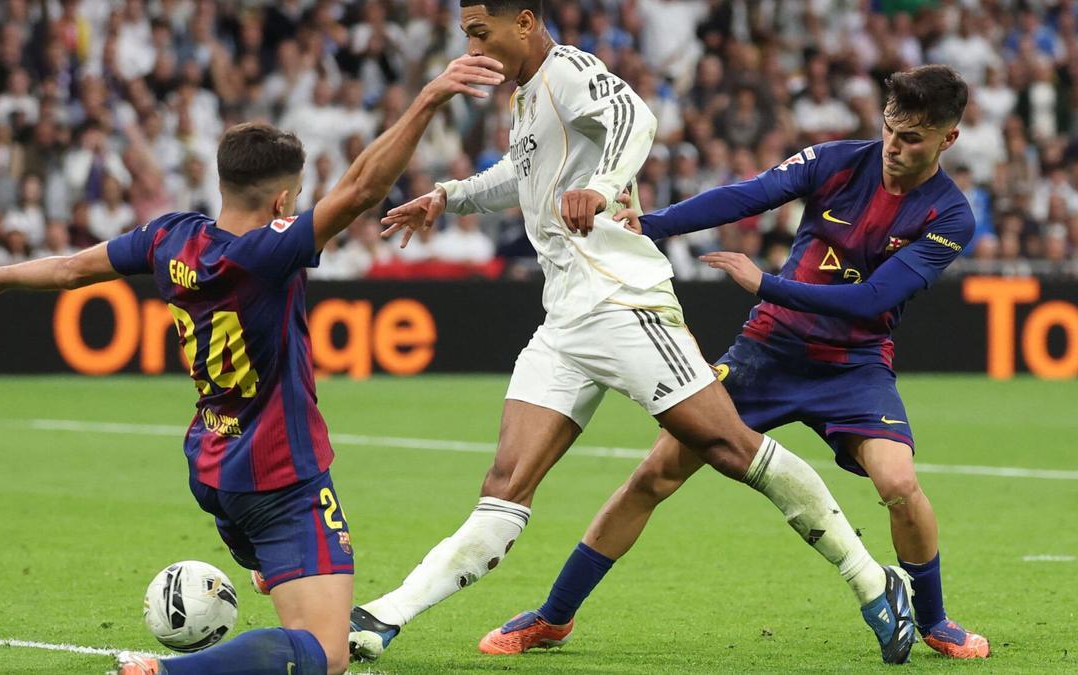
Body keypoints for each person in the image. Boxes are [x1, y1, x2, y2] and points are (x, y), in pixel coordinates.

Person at [351, 0, 914, 665]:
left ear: (525, 22)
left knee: (731, 448)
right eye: (467, 35)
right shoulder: (531, 97)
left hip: (624, 303)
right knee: (504, 484)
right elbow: (524, 174)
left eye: (482, 32)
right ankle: (385, 615)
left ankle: (874, 581)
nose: (474, 46)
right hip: (564, 320)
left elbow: (634, 115)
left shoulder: (567, 70)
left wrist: (604, 183)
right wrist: (451, 195)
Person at [0, 54, 505, 675]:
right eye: (295, 198)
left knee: (278, 573)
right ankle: (166, 670)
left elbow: (67, 271)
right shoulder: (265, 255)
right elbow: (361, 189)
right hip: (280, 473)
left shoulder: (170, 236)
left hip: (211, 462)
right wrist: (429, 97)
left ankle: (259, 560)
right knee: (325, 656)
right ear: (282, 199)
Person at [493, 64, 990, 660]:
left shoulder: (951, 216)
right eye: (889, 129)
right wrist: (653, 223)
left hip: (854, 365)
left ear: (948, 139)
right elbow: (748, 195)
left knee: (900, 483)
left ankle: (934, 621)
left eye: (912, 138)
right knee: (654, 476)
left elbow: (874, 301)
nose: (893, 146)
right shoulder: (836, 160)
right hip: (767, 353)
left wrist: (765, 284)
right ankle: (553, 617)